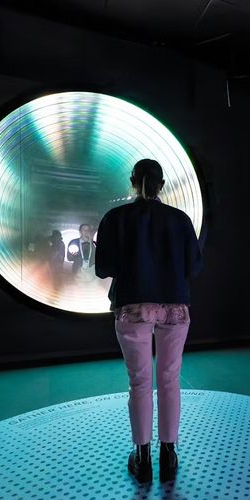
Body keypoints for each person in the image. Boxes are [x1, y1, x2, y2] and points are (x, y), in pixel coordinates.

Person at [95, 159, 203, 483]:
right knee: (170, 380)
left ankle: (141, 459)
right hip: (175, 307)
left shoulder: (115, 218)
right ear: (163, 184)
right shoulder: (180, 220)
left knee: (140, 383)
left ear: (132, 181)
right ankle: (168, 457)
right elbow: (194, 267)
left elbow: (103, 268)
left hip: (133, 307)